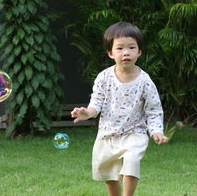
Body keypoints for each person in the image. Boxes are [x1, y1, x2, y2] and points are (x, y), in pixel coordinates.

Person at [71, 22, 168, 196]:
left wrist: (156, 131)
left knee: (131, 162)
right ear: (110, 53)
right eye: (120, 48)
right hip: (108, 133)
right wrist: (86, 113)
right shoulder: (104, 77)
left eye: (132, 47)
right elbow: (96, 103)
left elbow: (153, 110)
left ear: (139, 52)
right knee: (109, 174)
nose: (126, 52)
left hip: (134, 132)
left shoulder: (145, 81)